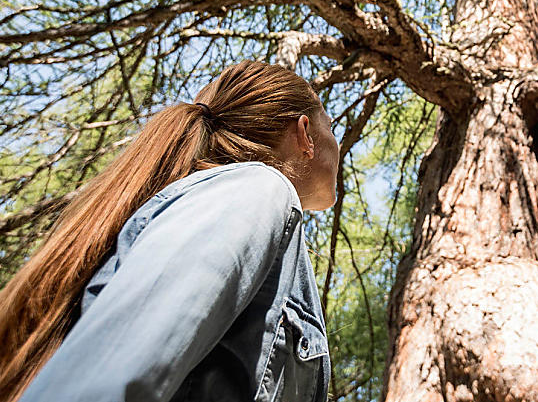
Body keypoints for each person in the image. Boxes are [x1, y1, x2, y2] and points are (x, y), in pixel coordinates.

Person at [0, 59, 340, 402]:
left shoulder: (239, 203)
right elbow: (119, 372)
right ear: (305, 133)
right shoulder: (255, 189)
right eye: (331, 125)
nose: (335, 142)